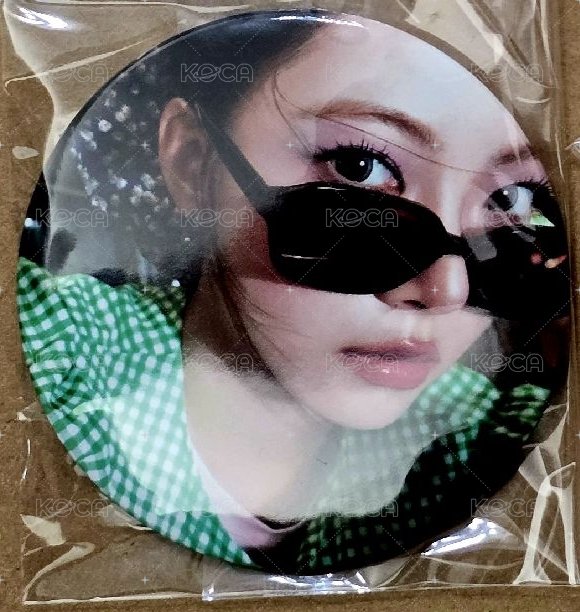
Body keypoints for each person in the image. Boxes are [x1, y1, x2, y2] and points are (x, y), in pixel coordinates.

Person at [17, 9, 569, 574]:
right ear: (194, 161)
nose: (447, 289)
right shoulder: (61, 352)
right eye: (360, 167)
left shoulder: (476, 436)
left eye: (511, 201)